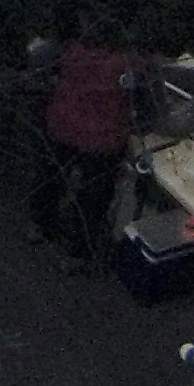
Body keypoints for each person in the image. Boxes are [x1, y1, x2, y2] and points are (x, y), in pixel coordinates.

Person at [30, 30, 140, 259]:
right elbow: (147, 105)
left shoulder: (73, 44)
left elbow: (40, 60)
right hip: (103, 139)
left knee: (51, 175)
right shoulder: (132, 61)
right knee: (94, 196)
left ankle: (39, 225)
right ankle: (77, 254)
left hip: (63, 123)